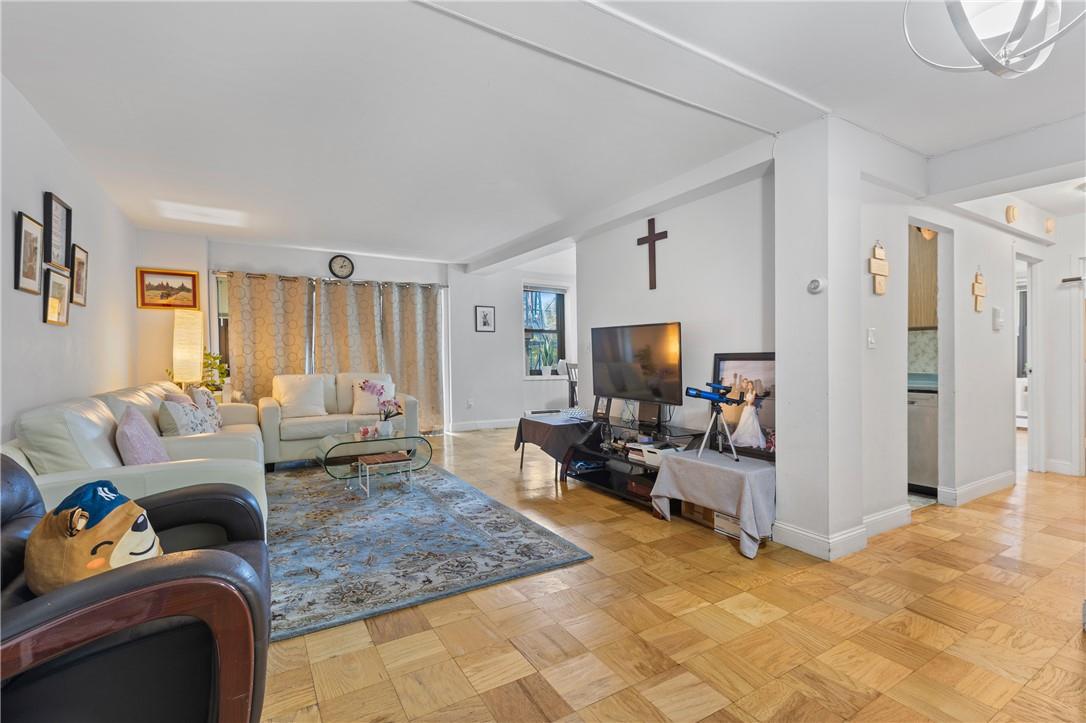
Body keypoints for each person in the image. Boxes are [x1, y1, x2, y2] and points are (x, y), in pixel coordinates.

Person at [730, 379, 765, 448]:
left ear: (752, 385)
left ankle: (751, 438)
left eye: (750, 385)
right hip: (746, 408)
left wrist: (748, 401)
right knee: (743, 423)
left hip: (751, 408)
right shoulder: (746, 392)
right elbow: (744, 400)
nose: (749, 386)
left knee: (751, 423)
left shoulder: (754, 391)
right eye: (748, 385)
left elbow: (751, 401)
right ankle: (743, 437)